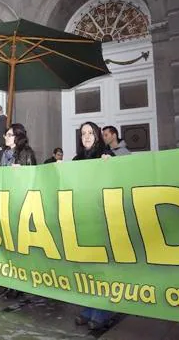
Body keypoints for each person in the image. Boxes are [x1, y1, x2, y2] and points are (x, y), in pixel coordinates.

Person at [73, 121, 115, 330]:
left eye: (90, 133)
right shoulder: (77, 159)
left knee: (100, 267)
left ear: (97, 136)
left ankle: (102, 312)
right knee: (85, 267)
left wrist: (110, 165)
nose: (87, 136)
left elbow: (117, 181)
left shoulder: (106, 156)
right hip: (82, 218)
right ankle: (88, 308)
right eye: (83, 134)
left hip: (101, 219)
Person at [0, 124, 36, 299]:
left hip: (20, 203)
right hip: (7, 202)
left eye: (10, 134)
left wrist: (22, 173)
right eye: (6, 134)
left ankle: (20, 283)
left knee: (19, 246)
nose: (6, 137)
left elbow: (34, 177)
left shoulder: (26, 152)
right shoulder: (5, 154)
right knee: (8, 246)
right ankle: (9, 283)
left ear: (18, 137)